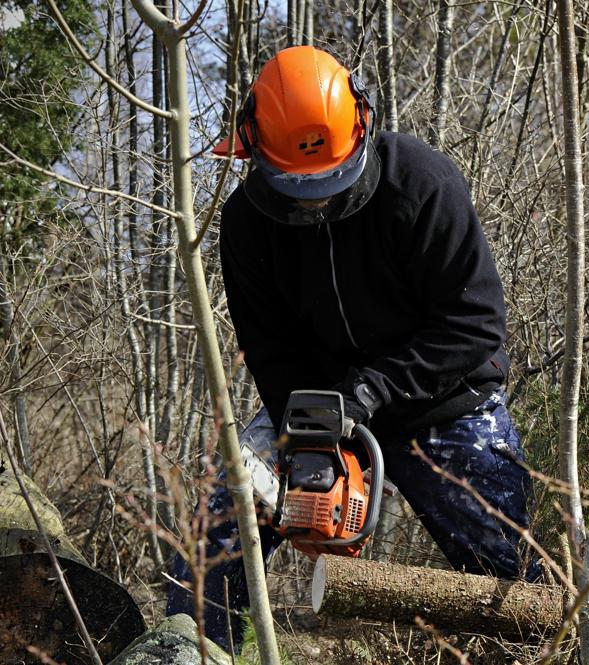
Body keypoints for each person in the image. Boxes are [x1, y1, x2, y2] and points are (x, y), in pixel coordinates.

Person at [166, 45, 540, 651]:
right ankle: (193, 652)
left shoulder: (421, 184)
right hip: (317, 401)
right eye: (295, 184)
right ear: (255, 151)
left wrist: (372, 389)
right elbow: (270, 346)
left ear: (361, 127)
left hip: (443, 399)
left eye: (329, 180)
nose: (314, 198)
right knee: (212, 542)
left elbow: (474, 325)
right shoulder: (246, 224)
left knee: (510, 576)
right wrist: (310, 430)